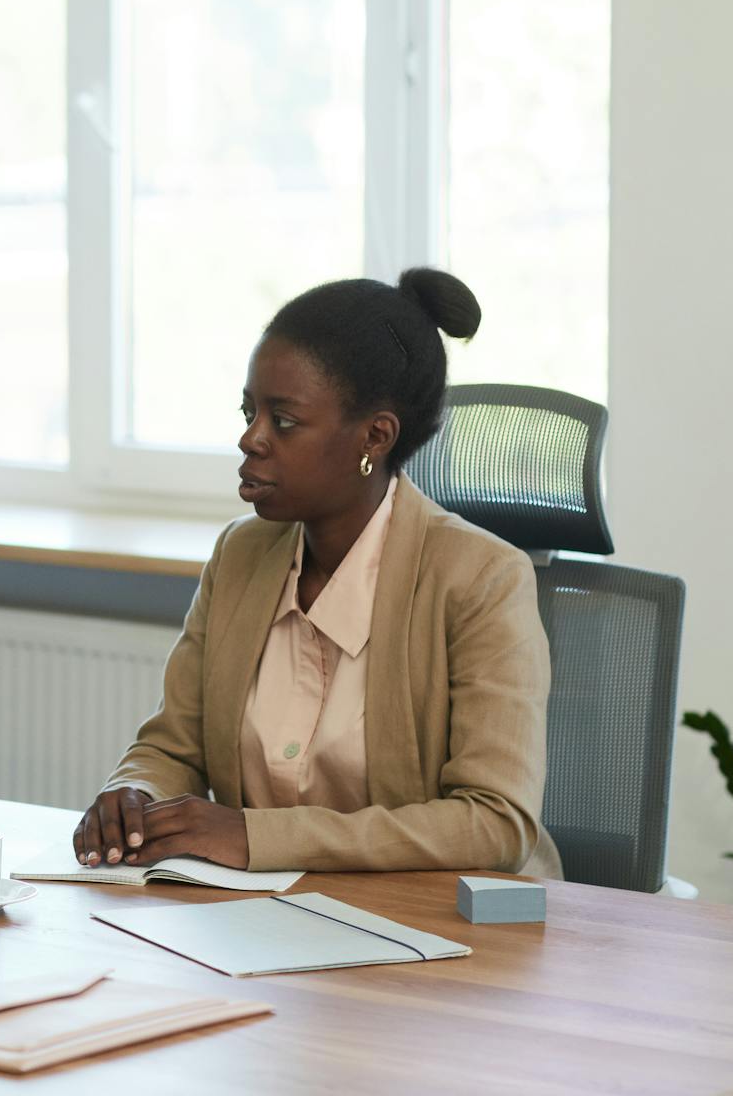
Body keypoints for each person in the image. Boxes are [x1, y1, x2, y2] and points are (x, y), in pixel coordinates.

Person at [74, 269, 561, 880]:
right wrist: (136, 796)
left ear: (375, 437)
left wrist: (256, 837)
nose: (250, 439)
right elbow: (174, 744)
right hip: (266, 924)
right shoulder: (241, 555)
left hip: (443, 934)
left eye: (284, 420)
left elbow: (495, 823)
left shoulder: (482, 579)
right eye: (250, 411)